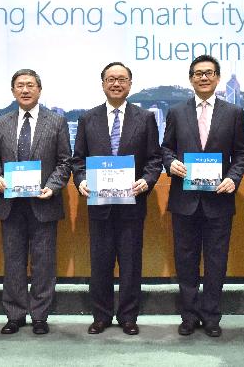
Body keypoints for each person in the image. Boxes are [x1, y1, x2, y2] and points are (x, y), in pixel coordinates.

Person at [71, 62, 162, 336]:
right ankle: (101, 315)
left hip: (132, 204)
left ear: (130, 85)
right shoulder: (88, 119)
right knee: (100, 262)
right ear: (102, 84)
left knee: (131, 263)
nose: (116, 84)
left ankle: (128, 316)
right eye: (110, 79)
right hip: (99, 204)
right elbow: (78, 161)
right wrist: (82, 181)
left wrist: (146, 181)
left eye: (122, 79)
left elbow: (154, 160)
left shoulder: (144, 117)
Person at [161, 54, 244, 337]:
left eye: (209, 73)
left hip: (218, 200)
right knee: (185, 260)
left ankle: (211, 316)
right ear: (190, 79)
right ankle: (188, 315)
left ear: (218, 78)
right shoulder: (176, 111)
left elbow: (242, 154)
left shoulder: (233, 113)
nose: (204, 77)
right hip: (184, 200)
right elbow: (166, 149)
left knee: (216, 260)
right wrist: (170, 163)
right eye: (198, 73)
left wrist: (233, 178)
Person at [0, 69, 72, 336]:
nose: (25, 90)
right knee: (12, 261)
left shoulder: (57, 121)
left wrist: (52, 186)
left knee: (43, 262)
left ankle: (39, 315)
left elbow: (64, 162)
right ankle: (14, 314)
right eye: (20, 86)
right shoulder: (0, 122)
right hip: (11, 204)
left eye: (30, 85)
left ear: (39, 89)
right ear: (13, 91)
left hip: (43, 202)